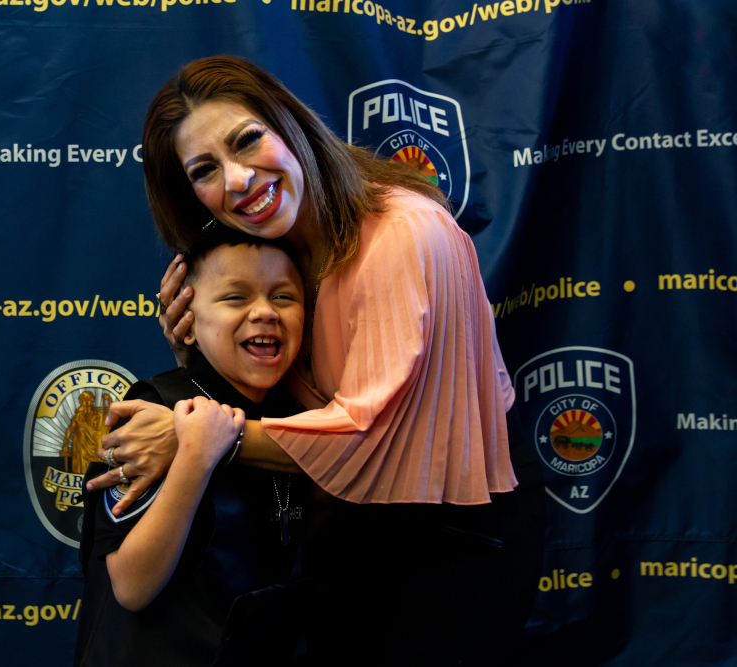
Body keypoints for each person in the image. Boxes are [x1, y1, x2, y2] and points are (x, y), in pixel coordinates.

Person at [90, 55, 545, 665]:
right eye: (205, 170)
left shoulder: (405, 231)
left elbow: (369, 435)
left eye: (247, 140)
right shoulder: (272, 254)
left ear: (290, 124)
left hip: (449, 536)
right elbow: (291, 410)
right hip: (341, 528)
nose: (237, 180)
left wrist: (188, 433)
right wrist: (203, 365)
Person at [74, 228, 313, 667]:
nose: (265, 312)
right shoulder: (153, 411)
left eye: (283, 297)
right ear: (187, 319)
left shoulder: (299, 418)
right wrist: (196, 455)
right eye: (235, 298)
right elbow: (130, 585)